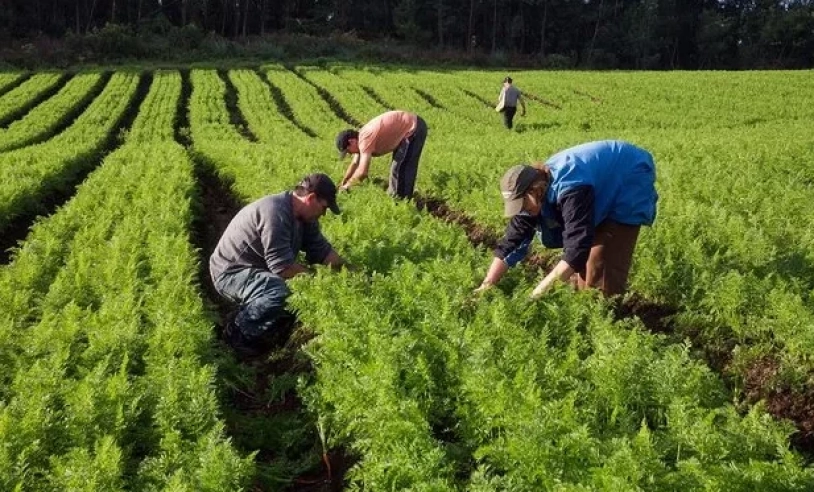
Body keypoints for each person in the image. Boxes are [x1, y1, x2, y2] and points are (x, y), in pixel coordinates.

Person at [475, 140, 658, 299]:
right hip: (598, 183)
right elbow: (510, 243)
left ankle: (602, 315)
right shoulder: (535, 194)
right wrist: (486, 285)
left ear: (534, 192)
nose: (522, 211)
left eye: (522, 205)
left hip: (628, 176)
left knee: (601, 265)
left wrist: (537, 295)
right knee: (584, 266)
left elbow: (576, 249)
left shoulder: (571, 190)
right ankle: (584, 303)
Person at [210, 173, 349, 356]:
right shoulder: (275, 212)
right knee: (278, 290)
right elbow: (283, 267)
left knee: (288, 293)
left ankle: (265, 326)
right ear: (311, 198)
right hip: (230, 273)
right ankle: (237, 331)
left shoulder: (305, 218)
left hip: (256, 271)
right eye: (324, 208)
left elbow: (322, 251)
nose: (323, 214)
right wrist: (319, 280)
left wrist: (350, 271)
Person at [335, 110, 428, 199]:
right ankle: (399, 199)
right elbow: (355, 163)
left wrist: (347, 187)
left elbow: (363, 172)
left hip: (414, 128)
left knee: (400, 168)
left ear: (351, 141)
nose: (350, 153)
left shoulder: (365, 139)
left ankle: (401, 202)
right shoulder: (361, 137)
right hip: (409, 127)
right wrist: (345, 180)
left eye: (348, 151)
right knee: (398, 168)